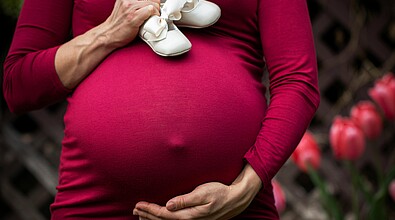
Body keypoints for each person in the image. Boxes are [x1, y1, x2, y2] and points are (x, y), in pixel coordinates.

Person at [3, 0, 320, 219]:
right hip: (96, 203)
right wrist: (109, 32)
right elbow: (19, 85)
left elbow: (297, 81)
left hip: (234, 208)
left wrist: (245, 188)